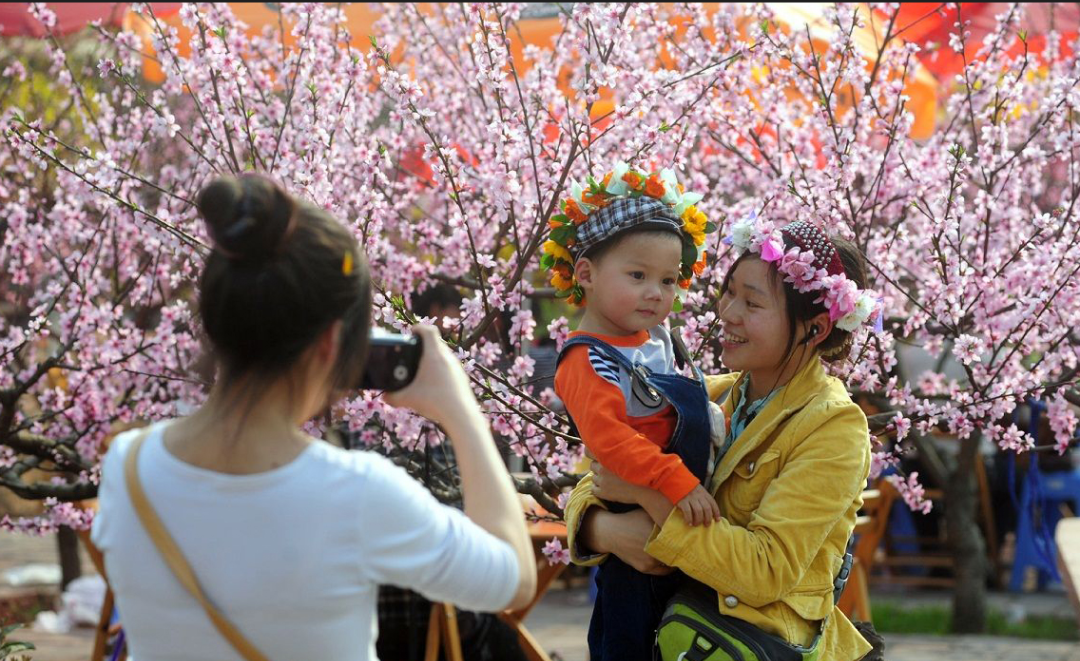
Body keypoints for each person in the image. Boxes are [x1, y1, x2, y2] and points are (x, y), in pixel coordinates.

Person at [90, 174, 535, 661]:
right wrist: (461, 409)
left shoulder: (127, 467)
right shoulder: (357, 492)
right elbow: (512, 579)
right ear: (331, 342)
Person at [564, 214, 883, 661]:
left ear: (816, 328)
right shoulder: (708, 393)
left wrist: (652, 499)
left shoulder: (834, 427)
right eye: (729, 292)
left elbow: (764, 571)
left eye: (752, 304)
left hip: (744, 643)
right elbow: (597, 475)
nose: (727, 314)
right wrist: (605, 530)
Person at [542, 162, 725, 660]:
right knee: (631, 638)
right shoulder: (586, 357)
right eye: (638, 275)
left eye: (668, 280)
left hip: (675, 515)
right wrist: (673, 480)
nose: (656, 292)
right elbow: (610, 441)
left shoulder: (655, 341)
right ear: (587, 274)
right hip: (639, 517)